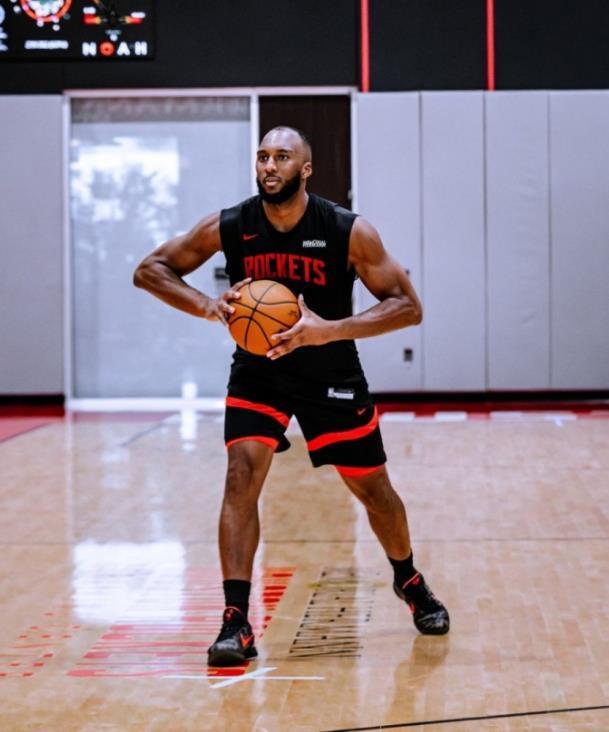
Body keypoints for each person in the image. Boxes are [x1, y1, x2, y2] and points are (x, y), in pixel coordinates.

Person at [133, 126, 449, 667]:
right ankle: (236, 620)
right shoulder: (232, 225)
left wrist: (328, 330)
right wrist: (208, 306)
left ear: (305, 170)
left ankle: (409, 579)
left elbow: (407, 306)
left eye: (282, 157)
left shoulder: (346, 230)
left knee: (374, 491)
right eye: (262, 156)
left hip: (330, 370)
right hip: (259, 370)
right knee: (240, 475)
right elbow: (150, 270)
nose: (269, 166)